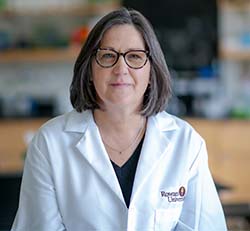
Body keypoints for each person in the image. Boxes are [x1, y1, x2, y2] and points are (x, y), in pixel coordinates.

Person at [11, 7, 227, 231]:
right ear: (90, 70)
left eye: (134, 56)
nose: (121, 68)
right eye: (108, 56)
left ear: (152, 72)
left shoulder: (186, 143)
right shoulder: (49, 143)